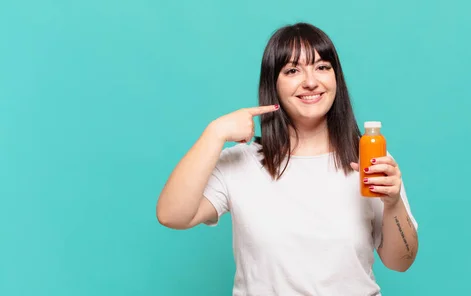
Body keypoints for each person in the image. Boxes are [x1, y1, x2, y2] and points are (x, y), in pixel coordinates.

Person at [156, 22, 419, 296]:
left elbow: (401, 262)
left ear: (336, 79)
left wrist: (393, 202)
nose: (310, 81)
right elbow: (171, 215)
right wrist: (215, 132)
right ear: (273, 84)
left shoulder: (368, 159)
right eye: (292, 70)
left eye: (322, 67)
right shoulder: (240, 162)